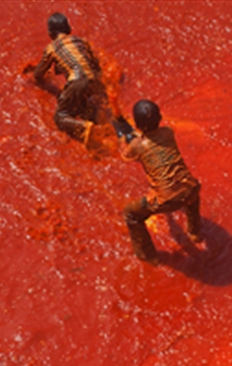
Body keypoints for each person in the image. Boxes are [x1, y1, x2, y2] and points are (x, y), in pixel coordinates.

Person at [118, 99, 203, 264]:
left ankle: (147, 255)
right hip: (191, 188)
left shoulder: (137, 146)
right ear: (160, 118)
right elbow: (155, 145)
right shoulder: (168, 132)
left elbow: (127, 154)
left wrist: (122, 140)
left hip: (166, 199)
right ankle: (195, 232)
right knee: (191, 194)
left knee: (130, 214)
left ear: (137, 125)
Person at [32, 12, 109, 143]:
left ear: (50, 33)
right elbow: (96, 64)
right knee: (81, 106)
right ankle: (101, 119)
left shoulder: (52, 48)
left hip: (77, 80)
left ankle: (85, 127)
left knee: (60, 117)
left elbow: (38, 73)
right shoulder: (81, 41)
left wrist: (33, 75)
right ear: (68, 28)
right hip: (95, 79)